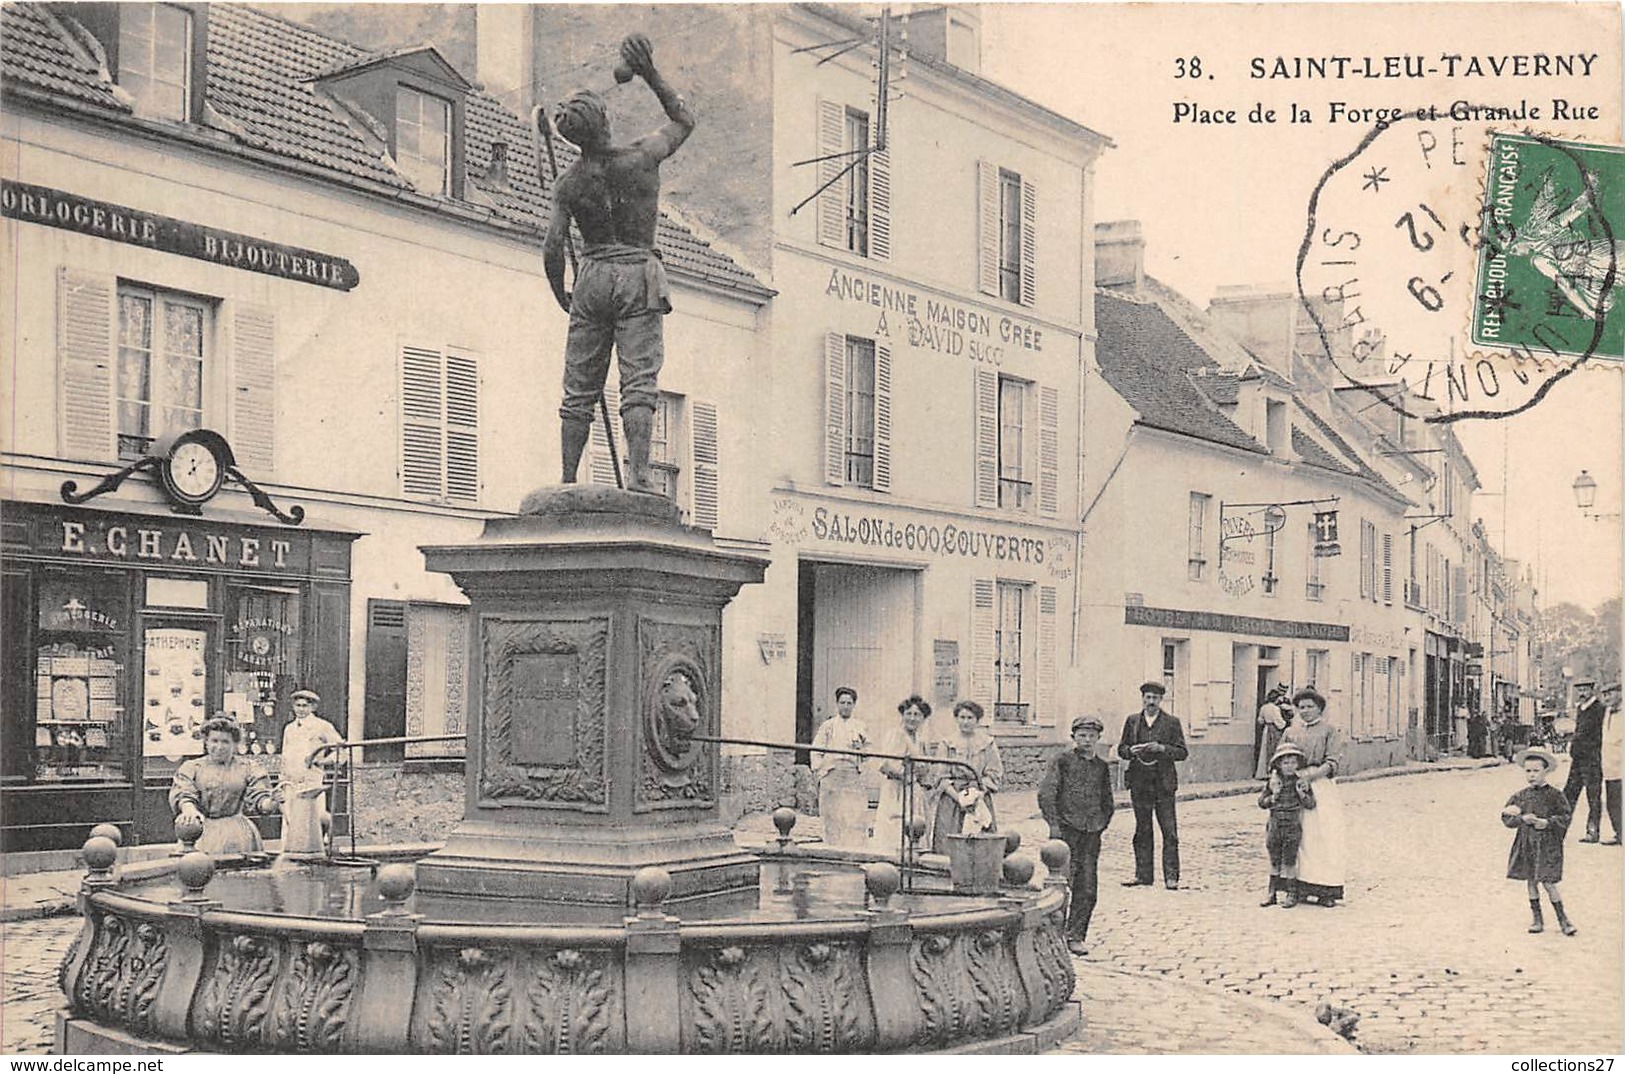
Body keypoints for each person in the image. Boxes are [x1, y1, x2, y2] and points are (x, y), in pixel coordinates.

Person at [545, 34, 693, 494]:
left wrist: (563, 296)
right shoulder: (642, 157)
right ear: (605, 120)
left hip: (590, 275)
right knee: (639, 383)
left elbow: (552, 248)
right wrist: (648, 72)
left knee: (578, 390)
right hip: (637, 274)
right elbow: (684, 120)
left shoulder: (568, 183)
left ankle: (569, 481)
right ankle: (641, 477)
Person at [1038, 716, 1115, 955]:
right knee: (1061, 883)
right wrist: (1054, 825)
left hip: (1091, 833)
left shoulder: (1101, 767)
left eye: (1092, 736)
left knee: (1087, 885)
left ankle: (1076, 935)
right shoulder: (1062, 761)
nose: (1087, 740)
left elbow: (1107, 800)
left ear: (1098, 738)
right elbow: (1046, 793)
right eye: (1082, 735)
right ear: (1074, 738)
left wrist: (1101, 823)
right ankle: (1054, 934)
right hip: (1066, 831)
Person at [1278, 687, 1348, 906]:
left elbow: (1332, 762)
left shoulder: (1329, 731)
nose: (1305, 711)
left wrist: (1311, 776)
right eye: (1301, 707)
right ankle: (1297, 887)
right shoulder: (1290, 732)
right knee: (1297, 836)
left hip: (1321, 787)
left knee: (1323, 837)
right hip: (1293, 787)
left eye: (1310, 707)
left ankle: (1326, 890)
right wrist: (1276, 778)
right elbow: (1279, 757)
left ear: (1319, 708)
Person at [169, 717, 279, 855]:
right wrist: (189, 810)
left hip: (236, 834)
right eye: (214, 741)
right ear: (206, 742)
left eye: (225, 742)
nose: (219, 747)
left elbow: (260, 799)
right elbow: (184, 793)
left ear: (235, 744)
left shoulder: (249, 768)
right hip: (200, 832)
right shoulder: (192, 768)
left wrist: (271, 801)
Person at [1117, 681, 1187, 890]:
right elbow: (1122, 749)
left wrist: (1162, 748)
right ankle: (1143, 875)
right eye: (1147, 698)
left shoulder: (1172, 722)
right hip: (1140, 783)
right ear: (1143, 699)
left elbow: (1182, 752)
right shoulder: (1133, 721)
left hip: (1163, 784)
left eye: (1155, 698)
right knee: (1142, 830)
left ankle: (1171, 877)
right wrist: (1131, 751)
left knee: (1169, 831)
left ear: (1161, 700)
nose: (1151, 702)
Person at [1502, 747, 1577, 935]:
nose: (1532, 775)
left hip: (1547, 846)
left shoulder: (1555, 795)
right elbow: (1506, 816)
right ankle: (1537, 919)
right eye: (1528, 771)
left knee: (1548, 881)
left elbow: (1566, 817)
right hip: (1527, 844)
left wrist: (1547, 822)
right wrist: (1521, 819)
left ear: (1546, 771)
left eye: (1536, 771)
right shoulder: (1521, 796)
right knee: (1531, 881)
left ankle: (1563, 920)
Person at [929, 700, 1004, 852]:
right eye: (962, 717)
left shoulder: (987, 743)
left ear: (977, 720)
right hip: (952, 800)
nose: (965, 722)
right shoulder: (947, 743)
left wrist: (978, 795)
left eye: (970, 718)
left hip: (979, 798)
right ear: (956, 719)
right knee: (950, 843)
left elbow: (994, 773)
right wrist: (959, 799)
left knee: (981, 842)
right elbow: (941, 776)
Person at [279, 688, 342, 858]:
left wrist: (323, 761)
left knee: (313, 816)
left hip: (311, 778)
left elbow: (341, 750)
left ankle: (319, 849)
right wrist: (282, 777)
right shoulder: (289, 729)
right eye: (297, 705)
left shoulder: (322, 726)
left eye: (305, 706)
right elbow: (285, 754)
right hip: (291, 778)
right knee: (290, 817)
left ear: (312, 707)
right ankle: (290, 854)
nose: (300, 709)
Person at [871, 696, 937, 856]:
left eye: (917, 715)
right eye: (909, 714)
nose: (912, 718)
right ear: (902, 715)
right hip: (896, 790)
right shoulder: (896, 735)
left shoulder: (921, 740)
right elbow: (884, 764)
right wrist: (905, 775)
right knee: (895, 827)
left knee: (916, 827)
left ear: (923, 718)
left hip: (914, 792)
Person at [1257, 742, 1317, 908]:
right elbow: (1261, 802)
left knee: (1290, 860)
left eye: (1293, 763)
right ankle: (1272, 893)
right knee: (1274, 860)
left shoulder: (1301, 782)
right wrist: (1273, 797)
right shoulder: (1273, 782)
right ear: (1278, 764)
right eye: (1285, 763)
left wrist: (1302, 794)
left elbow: (1311, 804)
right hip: (1275, 824)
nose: (1289, 767)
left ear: (1298, 764)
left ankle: (1292, 893)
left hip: (1292, 825)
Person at [811, 686, 871, 849]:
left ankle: (853, 846)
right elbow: (817, 748)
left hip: (852, 773)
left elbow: (869, 751)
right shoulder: (828, 726)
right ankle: (832, 845)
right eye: (842, 702)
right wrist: (819, 771)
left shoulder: (860, 726)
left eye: (849, 703)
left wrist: (862, 749)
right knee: (832, 812)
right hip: (832, 772)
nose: (845, 706)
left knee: (853, 812)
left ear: (854, 705)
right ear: (837, 704)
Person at [1564, 679, 1606, 842]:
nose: (1582, 693)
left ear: (1592, 690)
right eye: (1579, 690)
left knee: (1593, 796)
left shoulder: (1599, 709)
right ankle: (1560, 828)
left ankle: (1593, 831)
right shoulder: (1581, 709)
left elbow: (1594, 734)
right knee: (1569, 793)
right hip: (1578, 759)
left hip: (1593, 758)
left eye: (1585, 690)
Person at [1254, 683, 1294, 780]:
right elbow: (1280, 723)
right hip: (1275, 730)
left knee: (1265, 751)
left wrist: (1266, 723)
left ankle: (1263, 772)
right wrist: (1286, 723)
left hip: (1266, 729)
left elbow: (1260, 720)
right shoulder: (1275, 708)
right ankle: (1272, 772)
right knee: (1275, 750)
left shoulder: (1264, 707)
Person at [1601, 682, 1622, 846]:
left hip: (1622, 765)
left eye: (1611, 693)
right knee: (1612, 803)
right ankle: (1619, 833)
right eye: (1605, 695)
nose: (1607, 697)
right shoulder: (1607, 712)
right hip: (1609, 766)